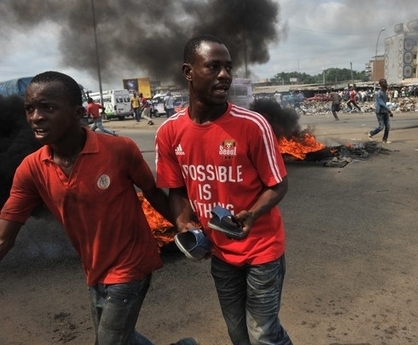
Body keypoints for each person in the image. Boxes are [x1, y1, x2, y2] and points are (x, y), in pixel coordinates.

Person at [0, 71, 197, 345]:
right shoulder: (30, 169)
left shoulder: (120, 150)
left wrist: (185, 227)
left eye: (48, 108)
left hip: (132, 264)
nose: (35, 117)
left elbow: (152, 192)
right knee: (121, 338)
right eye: (29, 109)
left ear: (78, 113)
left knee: (108, 342)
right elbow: (5, 235)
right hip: (94, 268)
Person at [155, 34, 293, 345]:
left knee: (263, 334)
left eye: (228, 68)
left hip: (261, 249)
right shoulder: (169, 132)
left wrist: (253, 214)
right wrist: (182, 223)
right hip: (219, 253)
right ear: (188, 72)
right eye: (214, 67)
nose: (225, 76)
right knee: (237, 333)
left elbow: (278, 184)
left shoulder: (252, 125)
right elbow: (176, 191)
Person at [368, 78, 393, 144]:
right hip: (380, 112)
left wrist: (388, 111)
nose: (386, 84)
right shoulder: (379, 93)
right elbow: (382, 103)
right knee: (381, 126)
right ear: (381, 84)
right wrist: (389, 110)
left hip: (385, 111)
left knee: (387, 126)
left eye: (386, 82)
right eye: (384, 83)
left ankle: (384, 139)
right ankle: (371, 133)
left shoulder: (384, 92)